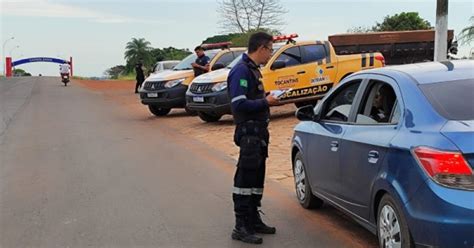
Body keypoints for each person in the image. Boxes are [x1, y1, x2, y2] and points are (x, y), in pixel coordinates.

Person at [227, 32, 280, 245]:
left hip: (258, 134)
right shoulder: (241, 70)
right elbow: (238, 104)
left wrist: (268, 100)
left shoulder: (253, 69)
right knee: (245, 180)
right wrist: (266, 103)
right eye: (271, 50)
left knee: (257, 179)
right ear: (261, 48)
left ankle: (253, 218)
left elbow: (255, 98)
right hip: (248, 134)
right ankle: (241, 226)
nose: (271, 55)